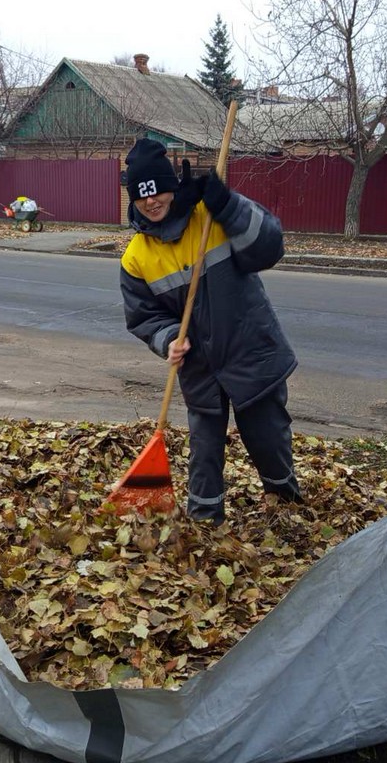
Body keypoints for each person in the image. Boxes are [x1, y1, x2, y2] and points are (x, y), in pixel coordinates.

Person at [119, 138, 300, 525]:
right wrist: (168, 338)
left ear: (172, 184)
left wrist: (228, 206)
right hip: (200, 368)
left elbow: (269, 247)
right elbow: (143, 316)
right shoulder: (136, 256)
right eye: (141, 197)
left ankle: (285, 505)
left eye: (158, 191)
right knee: (204, 451)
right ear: (133, 201)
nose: (152, 203)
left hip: (251, 352)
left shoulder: (210, 216)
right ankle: (204, 521)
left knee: (268, 438)